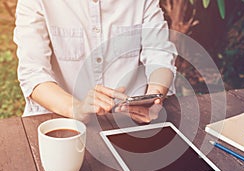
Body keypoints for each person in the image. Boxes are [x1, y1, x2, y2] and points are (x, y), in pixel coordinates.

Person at [13, 0, 177, 123]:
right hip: (59, 120)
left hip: (130, 121)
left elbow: (160, 53)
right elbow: (33, 73)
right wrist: (76, 108)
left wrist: (154, 97)